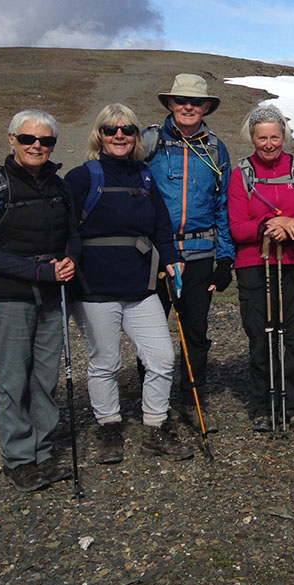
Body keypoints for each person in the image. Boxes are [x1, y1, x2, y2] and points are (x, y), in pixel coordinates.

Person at [66, 104, 192, 463]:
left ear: (137, 136)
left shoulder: (145, 177)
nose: (119, 135)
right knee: (105, 361)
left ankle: (155, 427)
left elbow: (161, 228)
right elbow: (65, 229)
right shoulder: (81, 177)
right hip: (94, 288)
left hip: (141, 287)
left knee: (162, 358)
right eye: (110, 129)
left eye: (127, 129)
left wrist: (171, 258)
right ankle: (109, 428)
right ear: (99, 135)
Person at [0, 109, 80, 491]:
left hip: (51, 297)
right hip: (9, 298)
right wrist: (39, 272)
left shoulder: (59, 188)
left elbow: (74, 236)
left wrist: (71, 261)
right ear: (11, 140)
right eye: (29, 139)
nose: (37, 146)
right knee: (14, 379)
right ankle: (19, 459)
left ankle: (43, 452)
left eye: (46, 141)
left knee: (45, 378)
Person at [144, 73, 235, 433]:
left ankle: (191, 400)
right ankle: (154, 405)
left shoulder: (215, 148)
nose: (188, 107)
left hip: (199, 254)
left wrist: (224, 258)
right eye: (181, 100)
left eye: (195, 102)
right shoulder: (150, 142)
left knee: (195, 333)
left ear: (206, 107)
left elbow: (223, 203)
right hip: (154, 256)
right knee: (151, 334)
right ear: (169, 104)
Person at [227, 105, 294, 433]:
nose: (269, 144)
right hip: (256, 265)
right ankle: (263, 404)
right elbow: (237, 227)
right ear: (251, 138)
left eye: (275, 137)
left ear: (284, 136)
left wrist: (292, 227)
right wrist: (273, 224)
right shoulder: (241, 174)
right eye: (261, 138)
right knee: (261, 337)